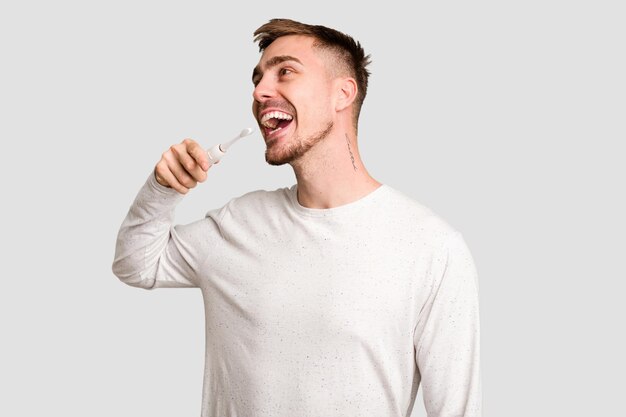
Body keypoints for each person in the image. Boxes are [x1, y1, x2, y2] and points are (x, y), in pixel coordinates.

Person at [112, 18, 482, 417]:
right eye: (258, 78)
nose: (259, 91)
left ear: (343, 93)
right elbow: (136, 264)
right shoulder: (238, 223)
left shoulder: (431, 248)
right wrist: (163, 188)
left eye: (284, 72)